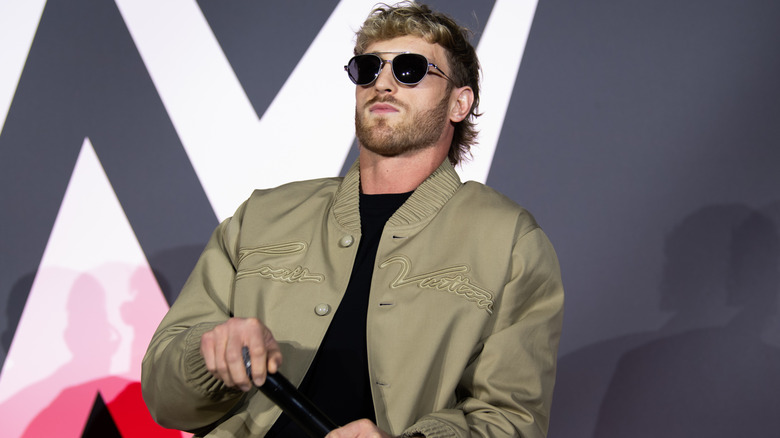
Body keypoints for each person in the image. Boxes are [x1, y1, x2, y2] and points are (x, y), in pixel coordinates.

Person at [141, 2, 564, 437]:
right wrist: (207, 355)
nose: (382, 82)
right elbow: (162, 397)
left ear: (460, 102)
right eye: (367, 68)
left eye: (410, 69)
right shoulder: (262, 216)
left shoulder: (510, 242)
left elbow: (510, 420)